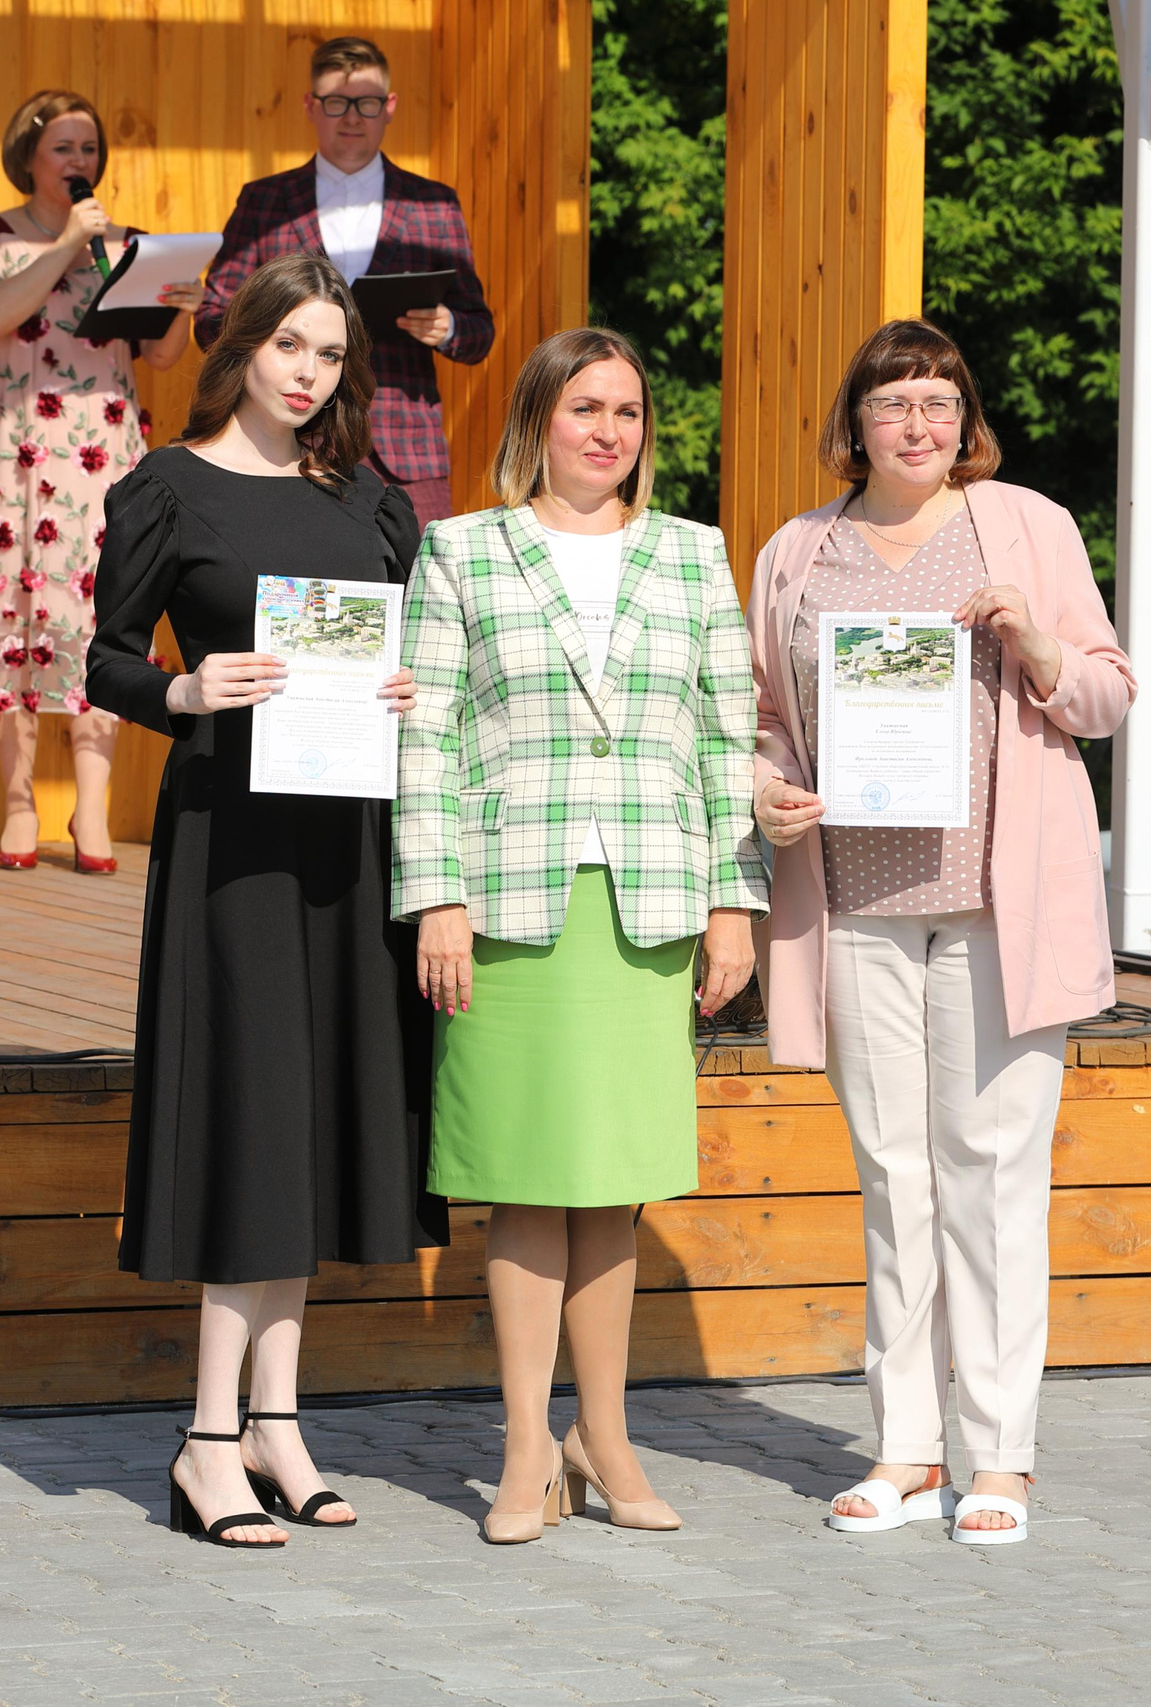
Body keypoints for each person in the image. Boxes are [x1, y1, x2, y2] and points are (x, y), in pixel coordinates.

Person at [746, 319, 1136, 1546]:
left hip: (994, 909)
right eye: (893, 402)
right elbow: (762, 719)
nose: (919, 423)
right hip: (856, 906)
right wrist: (767, 795)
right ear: (852, 424)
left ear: (966, 421)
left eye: (939, 401)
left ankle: (1001, 1458)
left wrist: (1033, 642)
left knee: (994, 1180)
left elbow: (1108, 697)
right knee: (891, 1181)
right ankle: (904, 1448)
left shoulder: (1025, 525)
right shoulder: (798, 552)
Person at [86, 253, 445, 1549]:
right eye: (290, 345)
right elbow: (109, 658)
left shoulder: (369, 502)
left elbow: (420, 653)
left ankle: (281, 1425)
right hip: (232, 843)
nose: (309, 372)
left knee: (303, 1123)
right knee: (248, 1119)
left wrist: (412, 688)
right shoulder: (166, 490)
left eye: (331, 355)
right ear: (239, 346)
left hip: (348, 845)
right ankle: (206, 1435)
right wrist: (184, 693)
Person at [396, 328, 766, 1543]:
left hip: (650, 900)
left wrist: (734, 899)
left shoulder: (695, 554)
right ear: (536, 420)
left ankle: (603, 1440)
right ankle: (519, 1450)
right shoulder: (458, 550)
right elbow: (428, 738)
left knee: (613, 1182)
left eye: (628, 411)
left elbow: (727, 740)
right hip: (505, 899)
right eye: (583, 408)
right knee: (521, 1181)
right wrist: (434, 892)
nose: (608, 431)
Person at [0, 90, 204, 873]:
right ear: (29, 155)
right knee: (9, 618)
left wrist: (181, 310)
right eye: (64, 148)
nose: (79, 162)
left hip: (97, 455)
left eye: (88, 149)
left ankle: (92, 805)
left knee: (99, 618)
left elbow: (157, 359)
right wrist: (65, 247)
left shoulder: (126, 246)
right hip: (7, 456)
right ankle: (18, 804)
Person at [195, 35, 494, 525]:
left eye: (368, 103)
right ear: (311, 106)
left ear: (390, 107)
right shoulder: (265, 201)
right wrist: (271, 330)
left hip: (405, 456)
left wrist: (449, 327)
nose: (353, 117)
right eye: (337, 103)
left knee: (417, 598)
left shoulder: (434, 203)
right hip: (283, 445)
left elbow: (479, 333)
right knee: (290, 596)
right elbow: (210, 321)